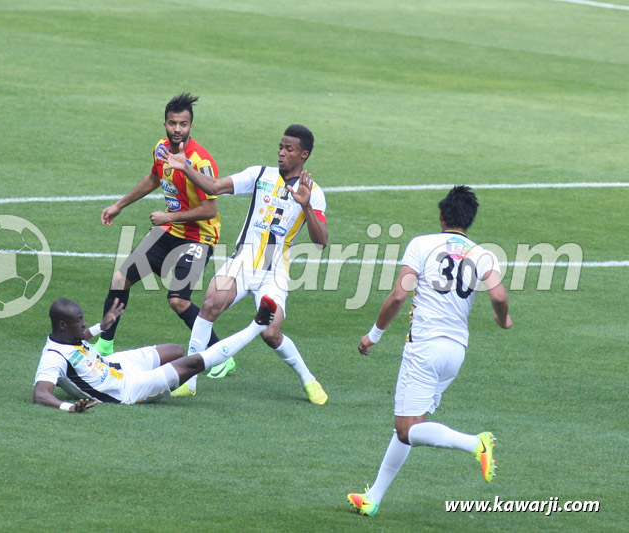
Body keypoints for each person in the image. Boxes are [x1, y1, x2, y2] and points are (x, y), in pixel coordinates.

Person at [346, 185, 512, 517]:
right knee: (409, 426)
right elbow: (498, 296)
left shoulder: (421, 244)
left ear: (441, 215)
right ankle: (373, 497)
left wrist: (373, 335)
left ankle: (475, 443)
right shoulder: (483, 254)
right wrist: (502, 319)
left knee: (408, 428)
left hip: (423, 348)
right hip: (456, 352)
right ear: (470, 220)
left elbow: (397, 296)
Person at [161, 124, 329, 404]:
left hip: (273, 271)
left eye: (289, 149)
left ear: (304, 154)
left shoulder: (313, 193)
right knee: (210, 305)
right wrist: (185, 168)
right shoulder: (259, 175)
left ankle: (309, 380)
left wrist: (307, 206)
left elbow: (321, 240)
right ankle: (189, 381)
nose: (281, 153)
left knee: (272, 334)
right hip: (242, 261)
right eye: (280, 147)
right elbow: (214, 186)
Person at [97, 93, 222, 357]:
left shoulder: (200, 161)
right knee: (121, 278)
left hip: (198, 238)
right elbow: (154, 178)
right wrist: (120, 205)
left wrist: (169, 217)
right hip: (168, 232)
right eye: (172, 123)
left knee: (178, 300)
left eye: (183, 124)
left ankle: (220, 356)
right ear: (165, 123)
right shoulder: (161, 148)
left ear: (191, 126)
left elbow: (210, 210)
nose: (178, 129)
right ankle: (104, 345)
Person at [33, 295, 278, 410]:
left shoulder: (68, 337)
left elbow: (77, 343)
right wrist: (68, 407)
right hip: (126, 390)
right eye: (80, 321)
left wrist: (101, 326)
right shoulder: (52, 358)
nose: (84, 325)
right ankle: (256, 325)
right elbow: (40, 394)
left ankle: (188, 385)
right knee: (191, 364)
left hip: (116, 364)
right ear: (63, 325)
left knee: (176, 350)